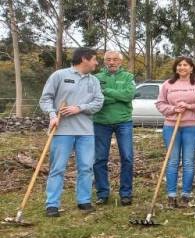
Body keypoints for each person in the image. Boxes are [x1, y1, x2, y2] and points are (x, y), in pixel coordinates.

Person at [38, 47, 104, 216]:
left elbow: (98, 103)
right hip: (61, 130)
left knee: (86, 167)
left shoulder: (94, 81)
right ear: (84, 59)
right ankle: (52, 204)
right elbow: (45, 99)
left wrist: (79, 108)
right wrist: (52, 115)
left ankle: (84, 200)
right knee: (58, 168)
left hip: (86, 131)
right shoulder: (59, 75)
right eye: (94, 59)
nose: (96, 62)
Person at [155, 56, 195, 208]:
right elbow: (160, 103)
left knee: (188, 161)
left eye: (185, 65)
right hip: (171, 126)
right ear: (176, 68)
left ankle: (186, 194)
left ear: (192, 68)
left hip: (193, 126)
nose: (182, 67)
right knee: (172, 161)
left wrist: (190, 106)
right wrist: (173, 109)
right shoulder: (167, 84)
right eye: (179, 65)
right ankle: (171, 195)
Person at [93, 50, 135, 206]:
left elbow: (128, 96)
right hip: (100, 122)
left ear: (120, 62)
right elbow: (96, 99)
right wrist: (118, 97)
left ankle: (126, 193)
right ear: (104, 61)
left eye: (115, 59)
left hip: (124, 121)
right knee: (99, 159)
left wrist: (108, 92)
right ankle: (102, 193)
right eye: (108, 59)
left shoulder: (128, 77)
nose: (112, 62)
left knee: (127, 157)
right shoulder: (96, 78)